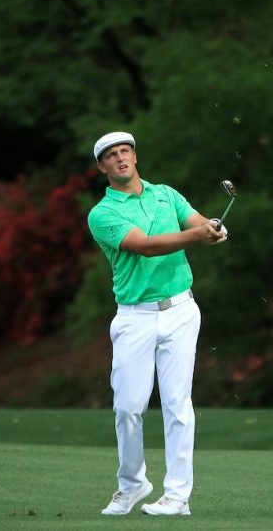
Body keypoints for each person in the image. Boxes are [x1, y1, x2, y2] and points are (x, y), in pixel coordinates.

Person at [86, 131, 227, 516]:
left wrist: (213, 230)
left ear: (134, 156)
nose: (120, 158)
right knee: (128, 407)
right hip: (135, 316)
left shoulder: (165, 193)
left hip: (181, 310)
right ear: (102, 167)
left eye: (125, 151)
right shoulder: (103, 214)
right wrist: (197, 235)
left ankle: (177, 496)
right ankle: (132, 485)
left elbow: (198, 221)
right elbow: (145, 247)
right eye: (111, 155)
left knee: (178, 405)